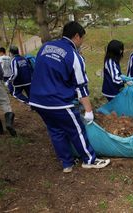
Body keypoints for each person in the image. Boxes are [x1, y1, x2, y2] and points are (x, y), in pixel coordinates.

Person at [29, 21, 110, 173]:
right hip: (58, 101)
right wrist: (88, 110)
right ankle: (89, 160)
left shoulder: (45, 47)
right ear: (77, 36)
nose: (82, 42)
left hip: (38, 100)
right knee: (77, 129)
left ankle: (67, 164)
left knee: (55, 131)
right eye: (82, 38)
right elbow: (80, 86)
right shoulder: (74, 55)